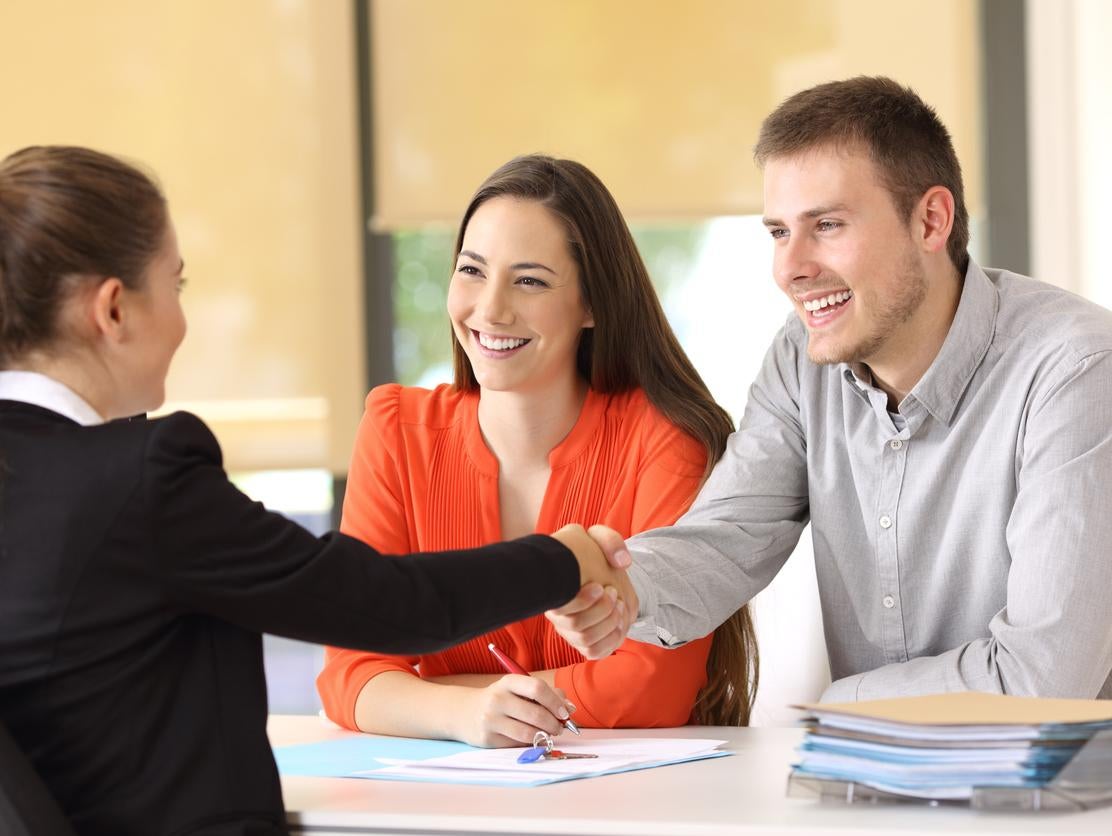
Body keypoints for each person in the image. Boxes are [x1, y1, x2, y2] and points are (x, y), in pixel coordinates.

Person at [0, 145, 631, 836]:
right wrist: (565, 559)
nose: (183, 320)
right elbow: (383, 605)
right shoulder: (139, 480)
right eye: (175, 286)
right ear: (113, 311)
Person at [549, 76, 1112, 701]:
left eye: (828, 224)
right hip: (873, 778)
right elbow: (728, 538)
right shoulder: (801, 358)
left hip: (1060, 789)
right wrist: (621, 584)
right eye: (778, 232)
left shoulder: (1077, 370)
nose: (790, 268)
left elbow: (1043, 681)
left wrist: (839, 704)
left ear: (931, 220)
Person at [316, 155, 758, 747]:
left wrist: (432, 696)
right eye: (471, 270)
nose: (490, 309)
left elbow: (652, 685)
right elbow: (351, 672)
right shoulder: (396, 430)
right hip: (453, 802)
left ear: (593, 303)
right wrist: (466, 716)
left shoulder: (662, 441)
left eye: (529, 280)